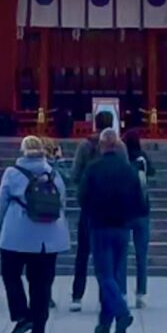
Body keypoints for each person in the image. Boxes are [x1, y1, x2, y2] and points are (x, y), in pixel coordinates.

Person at [0, 133, 70, 333]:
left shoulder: (12, 174)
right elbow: (62, 202)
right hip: (49, 237)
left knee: (11, 275)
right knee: (42, 282)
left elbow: (1, 206)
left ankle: (21, 314)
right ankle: (39, 328)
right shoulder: (54, 174)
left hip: (16, 235)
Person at [80, 129, 147, 333]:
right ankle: (106, 322)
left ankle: (121, 313)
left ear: (101, 145)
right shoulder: (129, 170)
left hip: (100, 226)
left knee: (104, 274)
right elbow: (139, 199)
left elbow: (82, 197)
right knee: (116, 274)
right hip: (122, 227)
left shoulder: (93, 168)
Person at [68, 109, 115, 309]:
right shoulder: (117, 147)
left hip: (89, 206)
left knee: (83, 253)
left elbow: (75, 174)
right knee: (107, 254)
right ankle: (106, 296)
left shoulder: (85, 146)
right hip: (111, 207)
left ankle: (77, 296)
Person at [121, 121, 155, 305]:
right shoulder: (142, 158)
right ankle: (141, 293)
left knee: (122, 254)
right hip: (142, 209)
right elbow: (153, 173)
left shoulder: (122, 159)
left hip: (125, 211)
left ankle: (122, 292)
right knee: (141, 254)